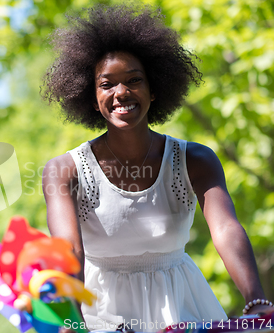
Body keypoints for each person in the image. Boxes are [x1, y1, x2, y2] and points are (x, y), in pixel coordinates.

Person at [41, 4, 273, 332]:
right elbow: (69, 249)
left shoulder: (196, 160)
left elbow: (225, 230)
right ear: (93, 98)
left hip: (184, 307)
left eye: (134, 80)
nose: (121, 92)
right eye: (107, 84)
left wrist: (257, 300)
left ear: (154, 90)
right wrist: (71, 321)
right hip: (100, 314)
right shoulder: (64, 170)